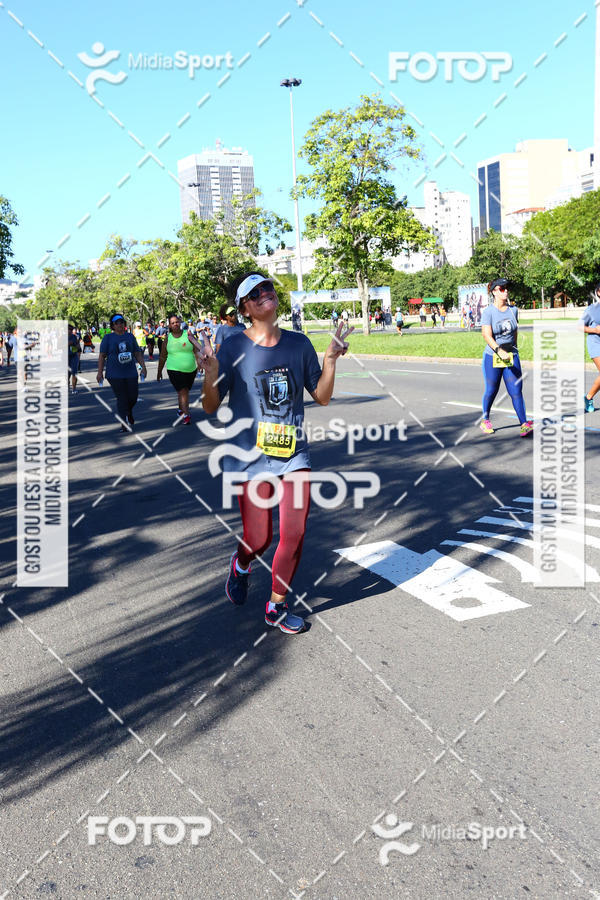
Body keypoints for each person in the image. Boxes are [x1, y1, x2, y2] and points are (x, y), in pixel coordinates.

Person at [197, 272, 353, 635]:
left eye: (267, 288)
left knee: (295, 532)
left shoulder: (299, 345)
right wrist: (212, 372)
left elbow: (323, 396)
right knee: (259, 539)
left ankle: (276, 606)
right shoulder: (233, 348)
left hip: (294, 454)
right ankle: (241, 564)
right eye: (254, 293)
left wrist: (329, 360)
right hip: (249, 459)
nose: (264, 294)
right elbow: (209, 406)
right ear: (245, 308)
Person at [479, 278, 532, 437]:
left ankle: (524, 424)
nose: (506, 291)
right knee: (492, 390)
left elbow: (514, 331)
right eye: (502, 288)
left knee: (516, 391)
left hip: (511, 355)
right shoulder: (488, 312)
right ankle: (485, 419)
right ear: (494, 291)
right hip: (493, 356)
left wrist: (513, 350)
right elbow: (486, 335)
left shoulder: (513, 310)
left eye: (507, 288)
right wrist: (498, 349)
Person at [97, 314, 147, 432]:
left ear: (124, 324)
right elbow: (102, 356)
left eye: (121, 322)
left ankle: (128, 412)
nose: (120, 324)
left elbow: (137, 352)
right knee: (122, 397)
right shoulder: (108, 338)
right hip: (114, 373)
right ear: (113, 326)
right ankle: (123, 421)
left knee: (133, 397)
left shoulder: (130, 336)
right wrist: (100, 372)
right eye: (117, 323)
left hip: (130, 372)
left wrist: (143, 367)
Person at [157, 313, 199, 424]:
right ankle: (186, 415)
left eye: (177, 322)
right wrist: (159, 371)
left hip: (191, 370)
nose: (175, 324)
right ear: (169, 326)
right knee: (183, 390)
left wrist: (200, 363)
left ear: (180, 322)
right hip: (173, 368)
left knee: (184, 391)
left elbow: (196, 349)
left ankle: (181, 410)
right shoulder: (167, 338)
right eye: (172, 323)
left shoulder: (188, 334)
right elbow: (162, 356)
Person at [580, 282, 600, 412]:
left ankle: (588, 397)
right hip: (595, 344)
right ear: (598, 292)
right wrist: (595, 330)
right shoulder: (591, 309)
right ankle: (588, 398)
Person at [68, 324, 81, 392]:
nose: (69, 331)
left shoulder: (74, 337)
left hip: (74, 356)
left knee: (74, 373)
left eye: (71, 329)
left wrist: (76, 345)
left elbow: (78, 346)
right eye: (68, 329)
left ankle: (74, 389)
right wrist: (68, 344)